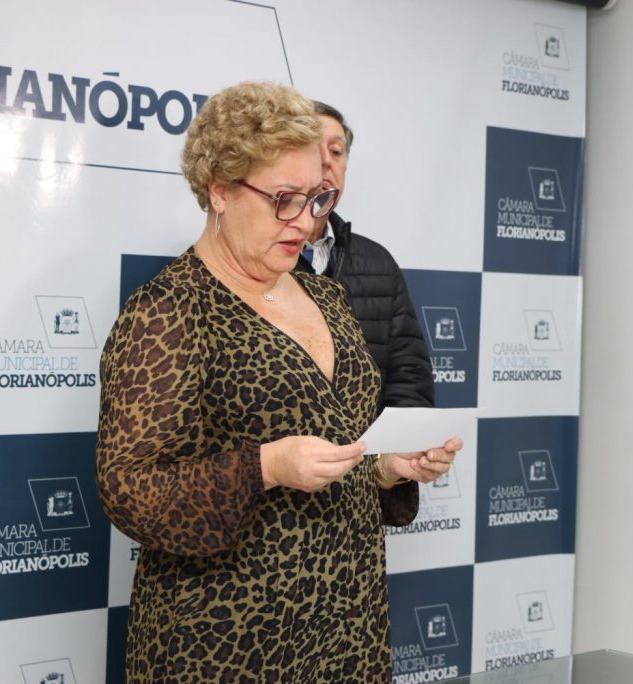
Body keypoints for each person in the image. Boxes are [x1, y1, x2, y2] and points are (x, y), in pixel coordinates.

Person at [96, 81, 462, 683]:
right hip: (224, 640)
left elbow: (337, 442)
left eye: (316, 199)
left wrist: (387, 467)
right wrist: (265, 467)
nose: (305, 220)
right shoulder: (169, 311)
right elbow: (130, 489)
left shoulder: (326, 295)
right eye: (283, 200)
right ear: (219, 189)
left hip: (346, 626)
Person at [295, 101, 434, 414]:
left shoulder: (378, 263)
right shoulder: (258, 258)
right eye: (311, 147)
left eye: (336, 151)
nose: (326, 161)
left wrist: (392, 444)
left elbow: (410, 379)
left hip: (370, 446)